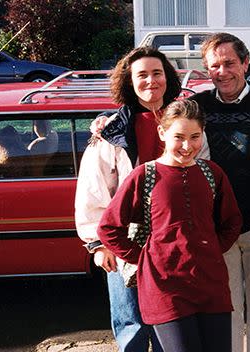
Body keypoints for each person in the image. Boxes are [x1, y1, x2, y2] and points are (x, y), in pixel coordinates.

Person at [74, 46, 208, 352]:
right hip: (125, 243)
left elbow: (201, 176)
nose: (151, 81)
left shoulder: (185, 120)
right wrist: (97, 244)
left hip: (174, 240)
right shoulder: (112, 131)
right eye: (142, 75)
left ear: (167, 77)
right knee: (132, 324)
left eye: (157, 73)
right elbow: (93, 189)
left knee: (171, 324)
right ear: (129, 81)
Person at [97, 99, 242, 352]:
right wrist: (144, 258)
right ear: (162, 133)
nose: (187, 146)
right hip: (164, 289)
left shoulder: (212, 172)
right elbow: (109, 228)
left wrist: (211, 249)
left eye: (195, 136)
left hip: (212, 286)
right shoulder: (144, 175)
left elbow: (231, 221)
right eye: (179, 137)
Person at [190, 32, 250, 352]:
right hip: (217, 228)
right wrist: (109, 121)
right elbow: (164, 123)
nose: (222, 72)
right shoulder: (198, 107)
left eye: (229, 63)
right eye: (214, 66)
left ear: (246, 64)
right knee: (224, 307)